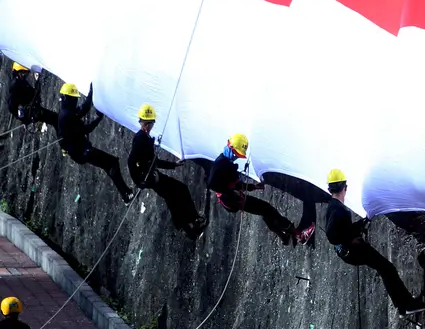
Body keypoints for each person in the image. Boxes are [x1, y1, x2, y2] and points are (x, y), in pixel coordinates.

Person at [323, 169, 425, 317]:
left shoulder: (333, 206)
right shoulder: (339, 210)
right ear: (345, 187)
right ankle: (406, 306)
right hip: (353, 250)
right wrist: (350, 240)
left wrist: (361, 224)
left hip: (348, 250)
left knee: (385, 269)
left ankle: (404, 305)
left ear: (330, 189)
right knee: (387, 269)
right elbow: (332, 235)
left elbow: (341, 231)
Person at [206, 134, 313, 245]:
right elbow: (212, 184)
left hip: (231, 198)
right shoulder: (221, 164)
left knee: (265, 211)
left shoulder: (225, 162)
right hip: (231, 200)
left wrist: (253, 187)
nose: (237, 157)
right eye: (236, 154)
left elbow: (233, 184)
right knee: (267, 209)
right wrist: (229, 192)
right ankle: (298, 235)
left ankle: (283, 236)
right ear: (231, 148)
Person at [127, 104, 205, 239]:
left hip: (151, 176)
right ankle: (192, 223)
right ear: (146, 124)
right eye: (150, 123)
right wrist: (139, 181)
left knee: (173, 198)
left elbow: (153, 161)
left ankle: (187, 226)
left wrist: (173, 165)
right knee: (179, 191)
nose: (151, 126)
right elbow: (131, 161)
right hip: (150, 178)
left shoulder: (144, 138)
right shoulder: (140, 139)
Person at [56, 83, 134, 202]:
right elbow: (87, 129)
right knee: (112, 163)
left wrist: (91, 92)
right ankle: (126, 195)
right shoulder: (67, 116)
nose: (76, 101)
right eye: (74, 99)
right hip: (83, 152)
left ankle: (126, 194)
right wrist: (99, 118)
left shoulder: (66, 112)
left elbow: (84, 109)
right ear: (69, 99)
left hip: (81, 151)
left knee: (109, 165)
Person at [5, 63, 55, 127]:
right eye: (23, 73)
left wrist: (37, 82)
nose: (25, 75)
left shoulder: (22, 82)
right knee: (54, 118)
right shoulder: (15, 86)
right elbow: (12, 107)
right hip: (31, 112)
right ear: (17, 72)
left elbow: (34, 93)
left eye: (26, 73)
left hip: (33, 110)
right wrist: (24, 117)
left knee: (54, 118)